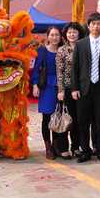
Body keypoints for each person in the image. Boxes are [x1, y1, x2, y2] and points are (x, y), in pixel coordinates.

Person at [71, 12, 100, 163]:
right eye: (93, 24)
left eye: (99, 24)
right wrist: (75, 88)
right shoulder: (80, 44)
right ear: (88, 26)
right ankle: (85, 151)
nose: (96, 26)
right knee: (83, 121)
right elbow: (75, 68)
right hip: (84, 88)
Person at [31, 26, 63, 160]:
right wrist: (35, 85)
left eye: (57, 35)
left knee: (58, 117)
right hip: (46, 87)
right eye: (52, 35)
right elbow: (35, 70)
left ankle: (56, 145)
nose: (55, 37)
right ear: (48, 36)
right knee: (47, 118)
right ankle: (48, 147)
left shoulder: (63, 50)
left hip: (60, 87)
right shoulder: (42, 51)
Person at [55, 22, 85, 159]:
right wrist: (61, 90)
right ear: (65, 34)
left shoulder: (83, 48)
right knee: (66, 118)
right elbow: (59, 72)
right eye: (69, 32)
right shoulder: (62, 50)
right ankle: (63, 148)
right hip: (66, 89)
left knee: (78, 119)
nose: (72, 34)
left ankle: (76, 147)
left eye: (74, 32)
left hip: (80, 88)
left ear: (79, 33)